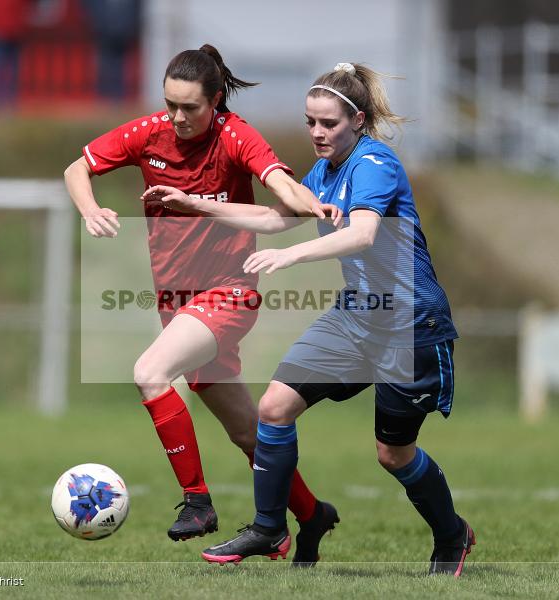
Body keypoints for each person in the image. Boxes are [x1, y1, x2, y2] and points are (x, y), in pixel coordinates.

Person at [145, 62, 475, 576]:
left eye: (329, 124)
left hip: (410, 325)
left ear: (358, 121)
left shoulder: (375, 164)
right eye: (310, 123)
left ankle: (451, 534)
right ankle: (270, 527)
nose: (318, 133)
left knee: (393, 454)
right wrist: (194, 205)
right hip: (355, 318)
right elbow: (280, 217)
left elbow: (363, 233)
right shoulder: (324, 171)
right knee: (275, 408)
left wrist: (292, 257)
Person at [64, 44, 342, 566]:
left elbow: (280, 183)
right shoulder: (147, 133)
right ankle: (311, 514)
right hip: (177, 301)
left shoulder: (236, 135)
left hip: (229, 292)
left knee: (149, 371)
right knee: (245, 431)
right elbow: (77, 169)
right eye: (170, 103)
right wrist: (89, 208)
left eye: (190, 107)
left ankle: (197, 502)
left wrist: (315, 205)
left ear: (215, 101)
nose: (177, 116)